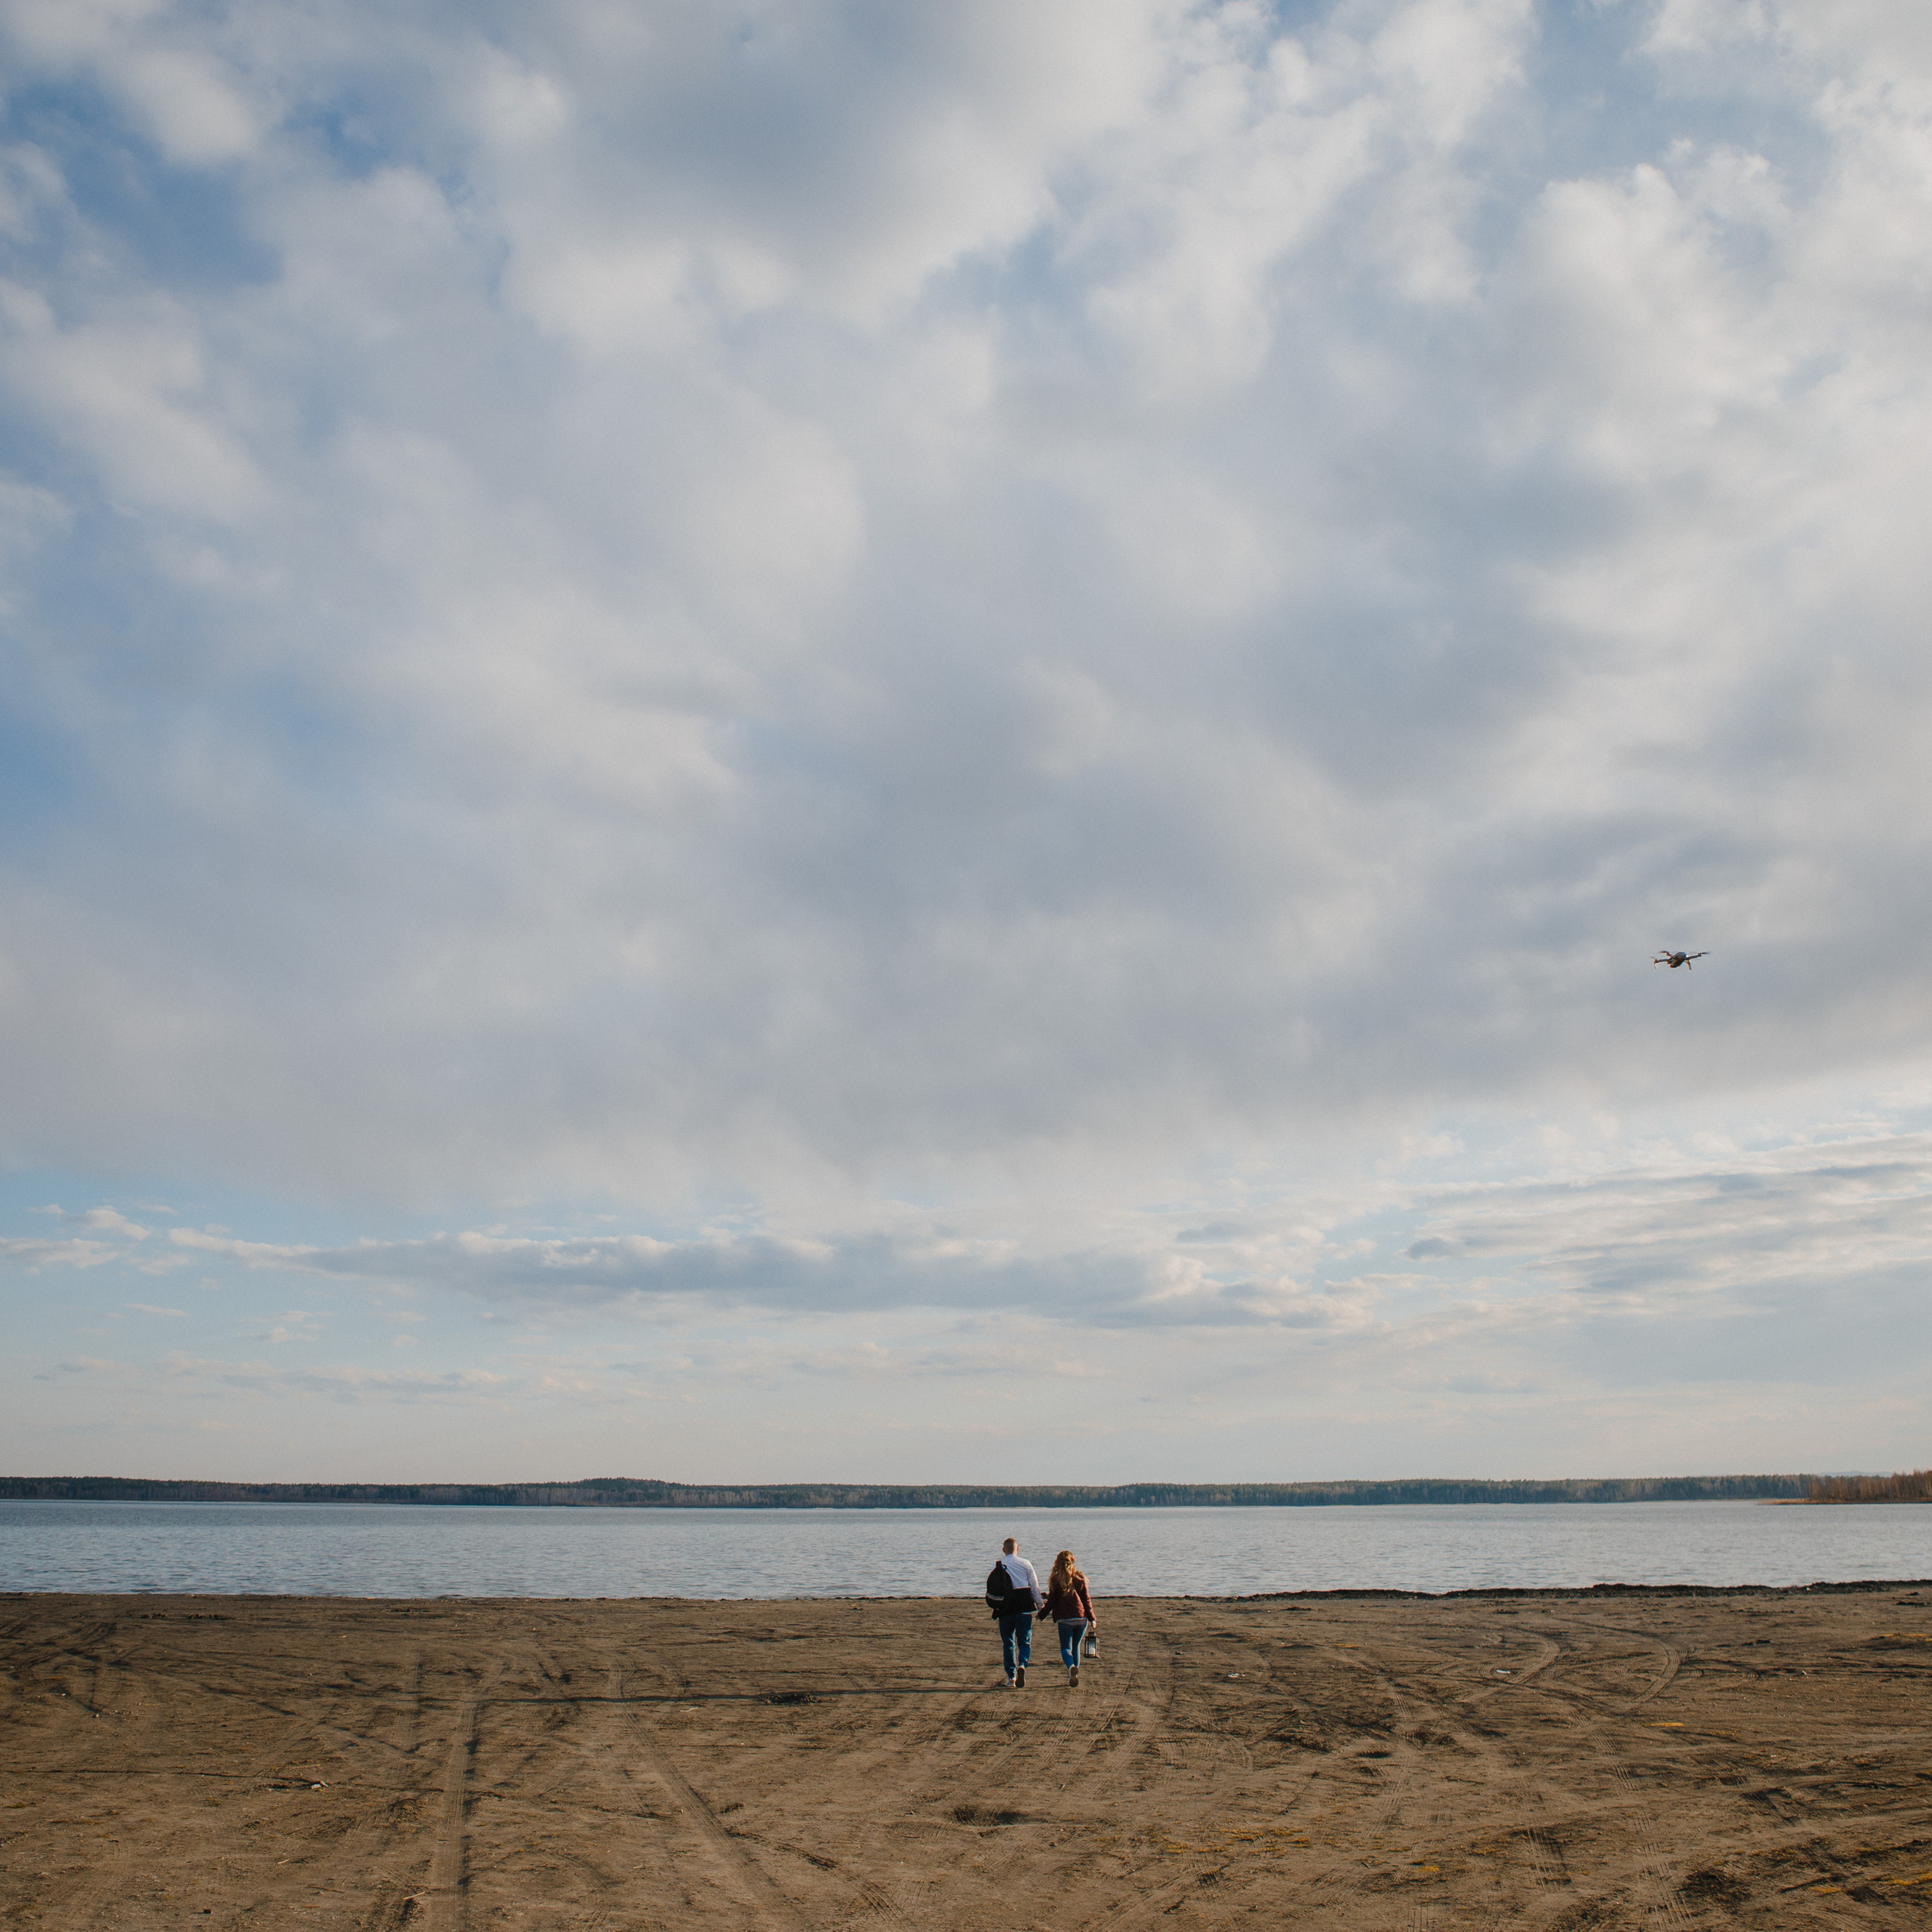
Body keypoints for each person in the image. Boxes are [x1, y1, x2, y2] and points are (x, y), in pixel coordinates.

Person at [1038, 1549, 1097, 1687]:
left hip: (1065, 1620)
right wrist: (1092, 1618)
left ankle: (1071, 1668)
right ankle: (1073, 1674)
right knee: (1076, 1646)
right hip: (1081, 1620)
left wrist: (1042, 1615)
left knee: (1066, 1649)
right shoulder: (1080, 1578)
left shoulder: (1056, 1580)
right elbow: (1086, 1600)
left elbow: (1051, 1602)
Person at [992, 1537, 1042, 1687]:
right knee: (1025, 1642)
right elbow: (1034, 1587)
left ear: (1003, 1550)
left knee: (1008, 1643)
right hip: (1024, 1608)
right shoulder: (1026, 1564)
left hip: (1005, 1609)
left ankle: (1011, 1677)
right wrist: (1040, 1607)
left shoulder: (997, 1566)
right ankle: (1022, 1665)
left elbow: (992, 1589)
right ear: (1017, 1549)